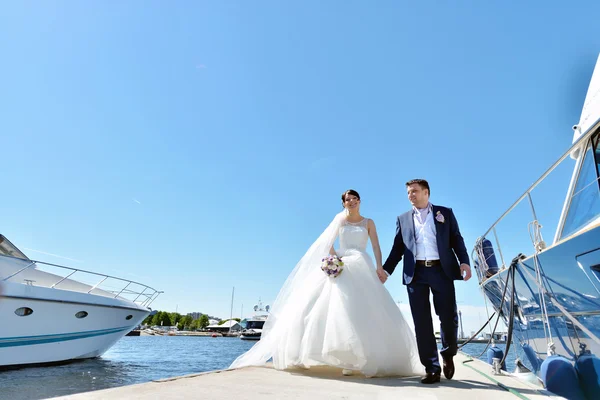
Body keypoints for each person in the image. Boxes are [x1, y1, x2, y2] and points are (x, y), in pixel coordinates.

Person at [230, 189, 422, 378]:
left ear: (360, 201)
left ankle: (360, 359)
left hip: (362, 264)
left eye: (355, 199)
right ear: (343, 203)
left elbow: (375, 246)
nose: (352, 202)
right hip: (342, 263)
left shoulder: (369, 222)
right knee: (334, 308)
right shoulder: (339, 221)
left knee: (362, 309)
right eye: (348, 200)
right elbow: (327, 242)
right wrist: (334, 259)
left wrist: (380, 267)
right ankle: (338, 357)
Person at [379, 179, 472, 384]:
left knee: (448, 316)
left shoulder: (444, 213)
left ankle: (448, 353)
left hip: (442, 270)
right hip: (416, 274)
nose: (410, 195)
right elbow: (398, 249)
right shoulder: (402, 219)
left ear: (426, 193)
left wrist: (464, 262)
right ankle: (431, 367)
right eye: (408, 193)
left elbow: (456, 239)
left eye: (414, 191)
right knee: (422, 322)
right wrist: (386, 270)